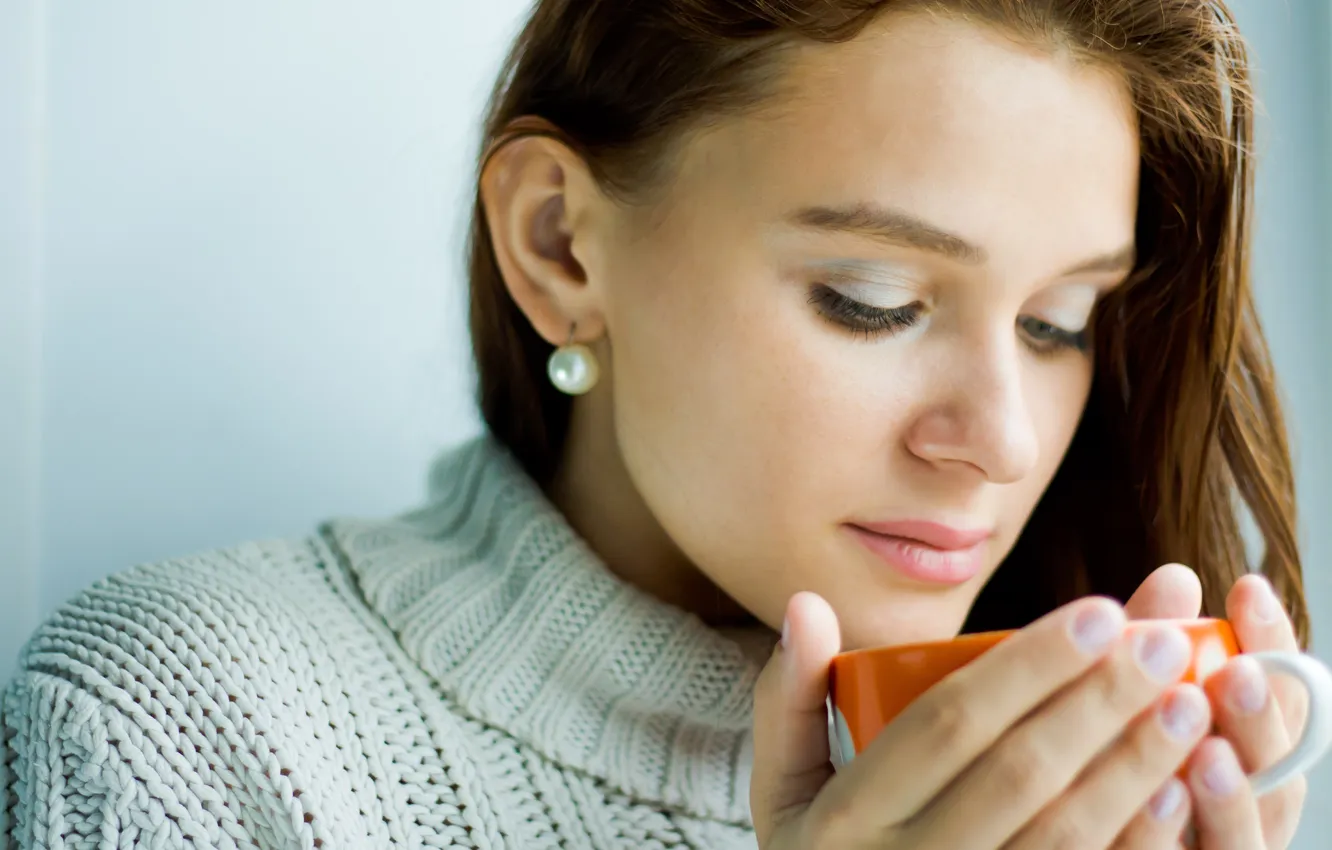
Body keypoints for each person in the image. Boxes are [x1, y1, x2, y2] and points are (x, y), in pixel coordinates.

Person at [0, 0, 1315, 847]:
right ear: (560, 244)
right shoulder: (169, 734)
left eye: (1058, 324)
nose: (1007, 439)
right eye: (874, 301)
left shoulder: (1118, 787)